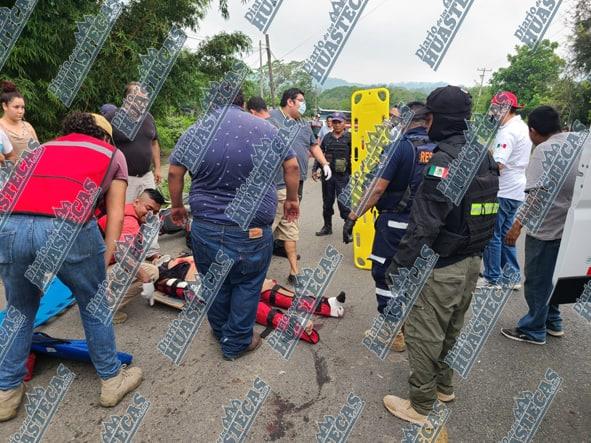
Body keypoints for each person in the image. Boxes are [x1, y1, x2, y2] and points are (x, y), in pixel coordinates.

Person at [0, 112, 142, 421]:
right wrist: (106, 254)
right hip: (66, 225)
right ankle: (111, 380)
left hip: (9, 223)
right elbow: (116, 213)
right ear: (103, 137)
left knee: (19, 308)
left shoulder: (41, 148)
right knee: (93, 303)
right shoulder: (111, 153)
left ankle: (6, 394)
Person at [383, 86, 499, 424]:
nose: (427, 123)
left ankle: (420, 405)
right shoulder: (483, 154)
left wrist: (399, 267)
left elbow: (423, 226)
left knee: (423, 333)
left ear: (441, 120)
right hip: (471, 261)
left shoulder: (443, 161)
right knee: (452, 328)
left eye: (430, 117)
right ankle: (444, 387)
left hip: (442, 265)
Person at [168, 90, 300, 361]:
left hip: (207, 226)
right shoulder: (266, 128)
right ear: (242, 103)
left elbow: (174, 172)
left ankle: (221, 331)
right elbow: (292, 166)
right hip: (251, 228)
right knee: (247, 282)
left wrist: (177, 206)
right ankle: (237, 341)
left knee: (214, 280)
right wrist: (293, 199)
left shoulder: (195, 131)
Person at [346, 102, 436, 352]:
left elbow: (376, 188)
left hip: (396, 223)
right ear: (428, 122)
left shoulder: (400, 148)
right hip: (427, 225)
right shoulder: (440, 148)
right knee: (414, 276)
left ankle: (392, 333)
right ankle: (410, 328)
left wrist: (353, 217)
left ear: (405, 121)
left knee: (386, 275)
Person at [501, 106, 583, 344]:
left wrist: (517, 226)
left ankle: (534, 329)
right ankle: (553, 321)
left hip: (547, 229)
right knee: (556, 277)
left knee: (538, 280)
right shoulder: (580, 142)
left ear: (533, 130)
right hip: (573, 228)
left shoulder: (544, 150)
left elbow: (536, 195)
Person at [268, 88, 331, 284]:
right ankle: (252, 269)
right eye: (301, 101)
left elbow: (313, 145)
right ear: (290, 102)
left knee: (290, 223)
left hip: (298, 183)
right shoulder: (271, 120)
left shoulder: (303, 125)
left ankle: (294, 271)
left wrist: (325, 163)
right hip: (277, 184)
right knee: (268, 227)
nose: (303, 105)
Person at [479, 91, 531, 290]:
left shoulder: (507, 131)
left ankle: (492, 278)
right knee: (505, 235)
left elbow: (498, 164)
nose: (492, 112)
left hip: (503, 190)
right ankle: (511, 276)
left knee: (491, 234)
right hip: (516, 189)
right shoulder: (521, 127)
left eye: (494, 107)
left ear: (505, 108)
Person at [97, 188, 165, 324]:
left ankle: (100, 295)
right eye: (149, 208)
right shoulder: (130, 222)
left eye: (155, 212)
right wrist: (145, 279)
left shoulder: (124, 209)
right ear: (136, 202)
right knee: (151, 272)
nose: (151, 215)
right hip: (94, 269)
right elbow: (122, 254)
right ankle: (106, 309)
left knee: (138, 263)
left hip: (89, 265)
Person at [101, 82, 163, 203]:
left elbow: (154, 143)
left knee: (149, 212)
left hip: (147, 176)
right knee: (124, 213)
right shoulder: (111, 118)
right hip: (123, 178)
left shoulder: (148, 118)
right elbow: (101, 145)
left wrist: (158, 168)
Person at [314, 112, 352, 236]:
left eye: (339, 122)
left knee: (344, 203)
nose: (336, 125)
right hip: (328, 176)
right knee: (327, 203)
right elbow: (320, 154)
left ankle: (349, 229)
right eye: (334, 122)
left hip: (343, 176)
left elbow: (357, 156)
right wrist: (315, 169)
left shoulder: (350, 137)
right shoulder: (327, 137)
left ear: (345, 123)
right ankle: (327, 227)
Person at [0, 80, 39, 158]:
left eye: (22, 107)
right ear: (5, 106)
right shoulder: (1, 128)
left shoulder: (28, 126)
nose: (20, 111)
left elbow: (39, 151)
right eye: (16, 107)